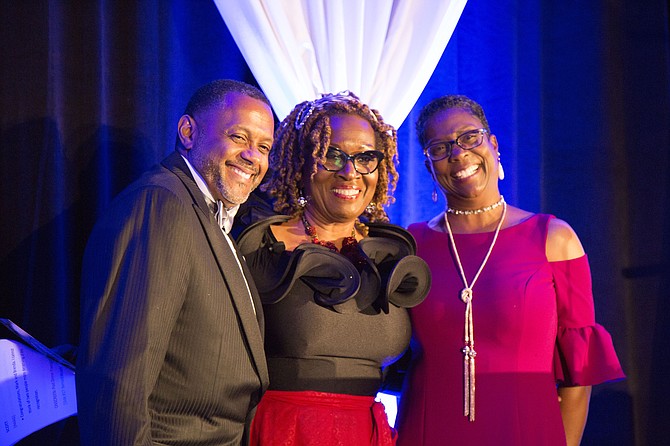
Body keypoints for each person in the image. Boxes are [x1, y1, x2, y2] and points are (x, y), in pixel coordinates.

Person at [394, 94, 625, 445]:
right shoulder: (412, 243)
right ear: (429, 167)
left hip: (526, 429)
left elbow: (579, 376)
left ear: (493, 144)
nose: (458, 154)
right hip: (427, 429)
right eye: (440, 148)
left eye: (470, 137)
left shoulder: (552, 238)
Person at [76, 79, 274, 445]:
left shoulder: (207, 213)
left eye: (263, 147)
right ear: (188, 132)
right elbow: (120, 380)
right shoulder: (161, 205)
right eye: (239, 138)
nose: (253, 157)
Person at [235, 91, 431, 446]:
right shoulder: (260, 248)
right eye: (332, 154)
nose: (350, 172)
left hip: (366, 433)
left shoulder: (391, 254)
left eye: (365, 158)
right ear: (303, 162)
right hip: (284, 431)